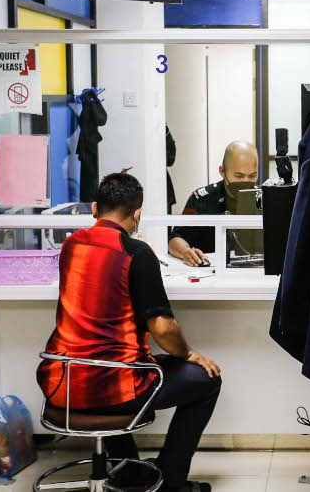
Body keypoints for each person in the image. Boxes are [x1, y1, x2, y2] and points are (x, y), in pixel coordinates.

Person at [37, 172, 221, 492]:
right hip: (110, 388)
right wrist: (189, 354)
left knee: (111, 364)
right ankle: (170, 481)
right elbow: (162, 327)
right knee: (207, 380)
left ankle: (133, 473)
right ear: (138, 214)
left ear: (94, 209)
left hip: (62, 384)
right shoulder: (136, 252)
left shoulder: (70, 246)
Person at [169, 140, 259, 266]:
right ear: (222, 171)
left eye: (252, 176)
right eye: (239, 176)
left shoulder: (263, 199)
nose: (246, 181)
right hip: (211, 271)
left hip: (255, 269)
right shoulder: (202, 199)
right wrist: (185, 252)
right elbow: (176, 238)